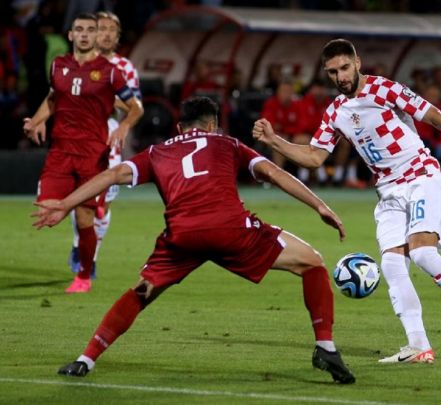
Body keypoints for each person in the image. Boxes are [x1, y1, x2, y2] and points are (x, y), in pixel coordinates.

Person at [32, 97, 356, 384]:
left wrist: (65, 204)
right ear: (213, 125)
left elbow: (112, 175)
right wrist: (320, 206)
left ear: (179, 126)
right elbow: (274, 173)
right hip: (231, 230)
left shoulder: (157, 151)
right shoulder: (228, 143)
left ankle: (85, 359)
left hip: (182, 237)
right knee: (311, 262)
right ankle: (325, 347)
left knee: (141, 292)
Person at [253, 38, 441, 363]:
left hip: (421, 177)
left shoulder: (385, 89)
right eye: (332, 72)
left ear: (357, 63)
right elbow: (315, 157)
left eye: (345, 68)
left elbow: (436, 117)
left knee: (423, 253)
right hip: (387, 192)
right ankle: (418, 345)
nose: (340, 77)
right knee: (391, 264)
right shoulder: (335, 112)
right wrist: (275, 140)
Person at [23, 13, 144, 293]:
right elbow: (53, 97)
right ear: (71, 35)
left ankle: (84, 274)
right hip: (61, 151)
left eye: (92, 29)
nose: (87, 34)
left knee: (85, 217)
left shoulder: (114, 70)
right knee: (47, 209)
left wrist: (124, 125)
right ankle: (87, 207)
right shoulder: (58, 65)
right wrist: (37, 121)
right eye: (80, 29)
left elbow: (134, 106)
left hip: (94, 151)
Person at [67, 11, 143, 279]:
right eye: (102, 28)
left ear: (118, 36)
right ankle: (80, 245)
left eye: (112, 29)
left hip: (109, 135)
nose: (107, 34)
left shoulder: (125, 68)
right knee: (79, 196)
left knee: (103, 202)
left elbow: (135, 107)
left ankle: (92, 256)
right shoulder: (75, 61)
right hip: (77, 136)